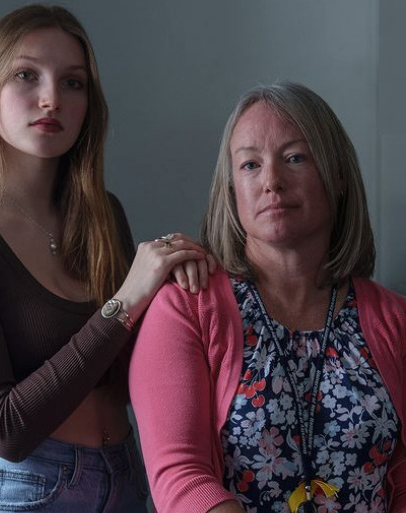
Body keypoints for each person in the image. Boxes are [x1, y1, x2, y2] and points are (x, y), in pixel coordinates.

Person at [0, 5, 214, 513]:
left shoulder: (102, 216)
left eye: (73, 83)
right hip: (19, 491)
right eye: (27, 75)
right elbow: (6, 429)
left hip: (128, 480)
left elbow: (132, 376)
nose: (51, 98)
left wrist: (174, 286)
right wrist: (127, 299)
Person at [129, 82, 406, 513]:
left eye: (294, 158)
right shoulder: (187, 307)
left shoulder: (395, 319)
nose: (271, 181)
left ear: (337, 176)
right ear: (231, 189)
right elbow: (180, 478)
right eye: (250, 165)